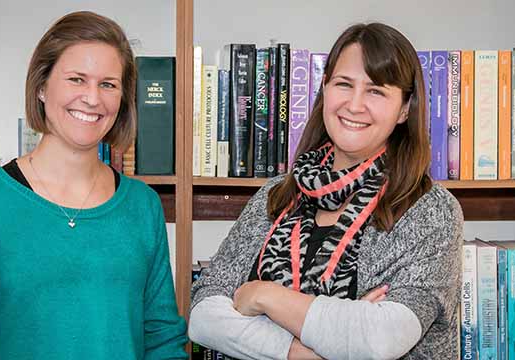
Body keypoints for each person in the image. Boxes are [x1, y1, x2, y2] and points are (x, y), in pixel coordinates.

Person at [189, 22, 463, 360]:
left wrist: (264, 297)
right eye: (344, 84)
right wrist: (295, 350)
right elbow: (203, 311)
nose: (355, 104)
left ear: (405, 108)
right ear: (325, 90)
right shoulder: (276, 194)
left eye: (376, 91)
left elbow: (380, 339)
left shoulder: (428, 209)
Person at [0, 11, 187, 360]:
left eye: (108, 84)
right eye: (77, 79)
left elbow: (162, 341)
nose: (93, 98)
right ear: (41, 86)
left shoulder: (143, 205)